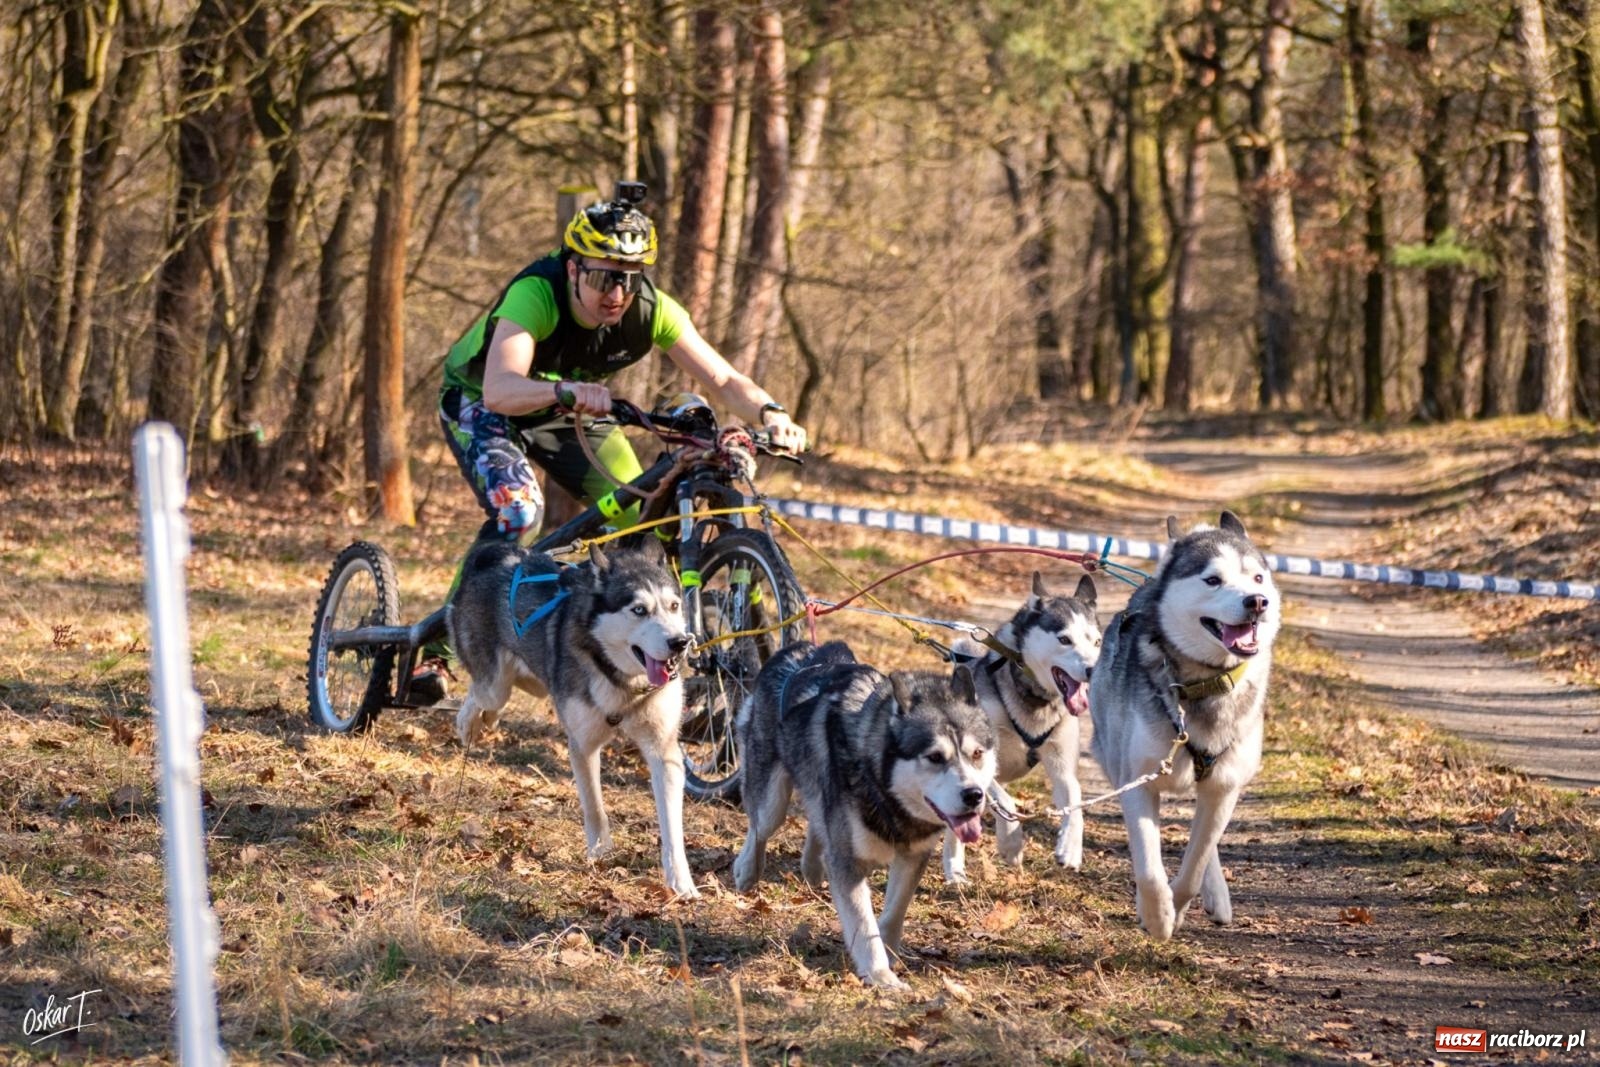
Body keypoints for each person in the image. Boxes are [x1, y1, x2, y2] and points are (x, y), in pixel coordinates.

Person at [415, 182, 808, 702]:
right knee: (520, 512)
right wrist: (564, 389)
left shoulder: (652, 310)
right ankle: (438, 653)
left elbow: (722, 378)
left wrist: (771, 411)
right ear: (574, 268)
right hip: (486, 403)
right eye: (603, 276)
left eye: (629, 278)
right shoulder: (537, 293)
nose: (617, 293)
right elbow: (501, 386)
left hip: (569, 411)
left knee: (642, 517)